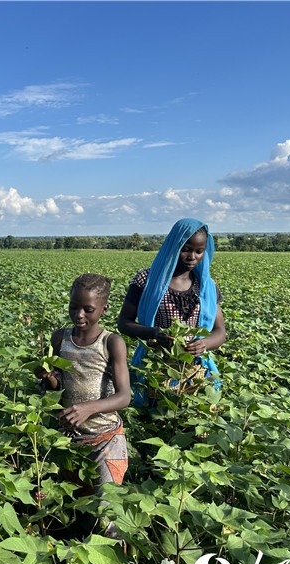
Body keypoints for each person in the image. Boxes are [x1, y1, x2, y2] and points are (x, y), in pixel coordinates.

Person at [37, 273, 131, 537]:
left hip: (105, 439)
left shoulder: (111, 343)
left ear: (103, 309)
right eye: (73, 307)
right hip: (69, 440)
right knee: (72, 506)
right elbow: (59, 383)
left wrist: (89, 408)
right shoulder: (60, 338)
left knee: (105, 514)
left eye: (88, 309)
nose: (79, 315)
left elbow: (124, 396)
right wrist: (48, 380)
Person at [117, 217, 226, 406]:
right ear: (174, 246)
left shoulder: (207, 286)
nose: (192, 257)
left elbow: (220, 331)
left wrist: (204, 344)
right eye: (186, 249)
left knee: (195, 426)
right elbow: (124, 323)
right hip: (156, 367)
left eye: (199, 251)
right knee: (155, 419)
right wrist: (154, 334)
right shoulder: (146, 280)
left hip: (197, 371)